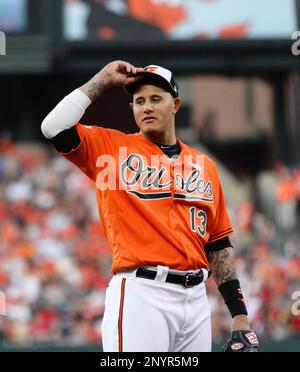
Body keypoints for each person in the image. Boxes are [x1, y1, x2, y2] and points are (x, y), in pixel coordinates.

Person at [41, 60, 259, 352]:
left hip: (195, 300)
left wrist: (239, 316)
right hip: (142, 294)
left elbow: (218, 244)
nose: (146, 107)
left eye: (156, 99)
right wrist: (102, 81)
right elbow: (53, 127)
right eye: (139, 101)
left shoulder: (204, 165)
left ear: (175, 105)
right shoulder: (110, 149)